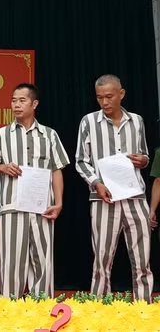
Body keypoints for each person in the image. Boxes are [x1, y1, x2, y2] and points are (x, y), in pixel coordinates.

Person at [0, 83, 69, 297]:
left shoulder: (49, 135)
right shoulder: (2, 134)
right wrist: (2, 167)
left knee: (43, 260)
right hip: (12, 206)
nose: (16, 105)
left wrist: (58, 203)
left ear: (34, 103)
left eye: (22, 100)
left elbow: (56, 170)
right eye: (13, 100)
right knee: (11, 262)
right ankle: (10, 310)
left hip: (43, 208)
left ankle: (41, 309)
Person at [75, 74, 153, 302]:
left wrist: (144, 161)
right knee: (102, 260)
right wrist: (96, 183)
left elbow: (145, 154)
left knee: (142, 259)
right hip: (103, 199)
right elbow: (81, 160)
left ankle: (144, 307)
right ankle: (100, 307)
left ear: (122, 94)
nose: (104, 102)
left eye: (109, 96)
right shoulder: (88, 122)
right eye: (99, 98)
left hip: (135, 197)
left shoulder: (136, 121)